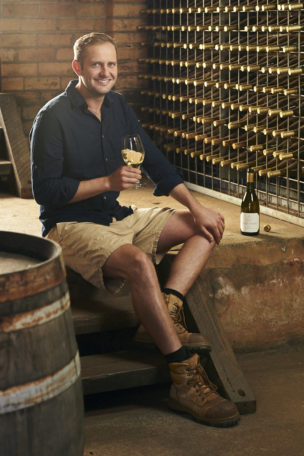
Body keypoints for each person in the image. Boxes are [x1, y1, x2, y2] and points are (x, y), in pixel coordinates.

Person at [30, 32, 240, 427]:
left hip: (116, 215)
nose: (105, 72)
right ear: (78, 68)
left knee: (204, 227)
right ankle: (183, 377)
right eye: (96, 64)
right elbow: (45, 191)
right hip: (71, 225)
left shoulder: (119, 106)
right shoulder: (52, 117)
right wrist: (107, 182)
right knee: (141, 263)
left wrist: (198, 207)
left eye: (111, 64)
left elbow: (155, 161)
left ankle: (166, 312)